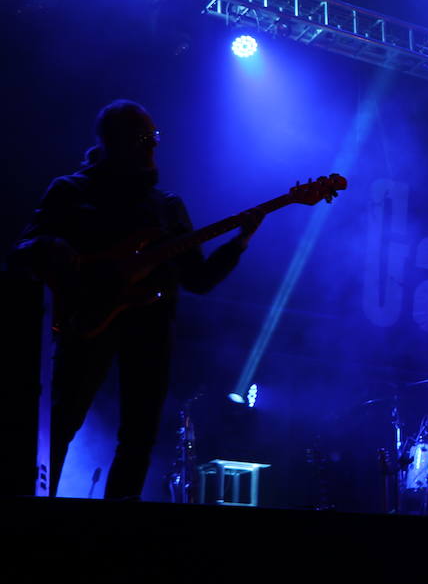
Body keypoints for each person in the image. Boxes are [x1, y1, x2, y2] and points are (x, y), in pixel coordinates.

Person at [13, 100, 259, 499]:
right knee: (61, 422)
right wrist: (59, 250)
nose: (152, 147)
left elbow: (198, 279)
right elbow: (21, 250)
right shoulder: (72, 191)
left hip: (150, 325)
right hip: (87, 319)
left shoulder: (168, 206)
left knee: (140, 434)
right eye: (143, 139)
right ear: (114, 142)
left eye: (154, 138)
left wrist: (240, 241)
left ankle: (116, 527)